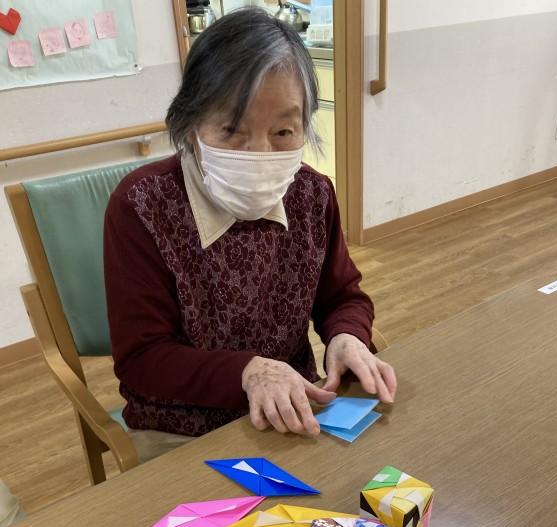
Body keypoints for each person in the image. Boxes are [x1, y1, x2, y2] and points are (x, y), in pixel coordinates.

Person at [104, 8, 396, 462]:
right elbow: (143, 358)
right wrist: (248, 372)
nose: (260, 153)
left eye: (283, 131)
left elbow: (342, 296)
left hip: (292, 407)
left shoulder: (312, 194)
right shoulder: (143, 205)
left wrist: (346, 335)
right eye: (231, 129)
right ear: (191, 125)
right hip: (180, 428)